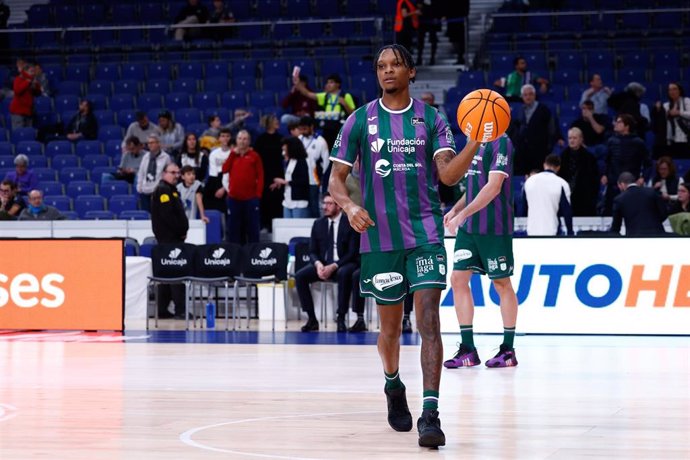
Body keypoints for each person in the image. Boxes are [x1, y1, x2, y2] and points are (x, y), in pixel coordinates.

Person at [328, 44, 481, 449]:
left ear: (411, 72)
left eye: (395, 64)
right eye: (381, 66)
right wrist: (347, 204)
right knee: (390, 330)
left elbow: (447, 175)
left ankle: (430, 414)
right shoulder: (359, 121)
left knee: (429, 317)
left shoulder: (431, 119)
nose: (388, 71)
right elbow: (335, 180)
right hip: (380, 238)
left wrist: (474, 143)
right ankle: (393, 385)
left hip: (426, 233)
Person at [443, 132, 519, 372]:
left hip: (494, 226)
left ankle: (508, 349)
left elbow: (493, 186)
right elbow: (475, 185)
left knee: (501, 283)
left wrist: (463, 215)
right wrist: (456, 209)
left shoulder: (502, 142)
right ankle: (468, 349)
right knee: (458, 279)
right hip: (470, 229)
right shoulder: (474, 143)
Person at [295, 193, 360, 333]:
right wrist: (318, 264)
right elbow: (312, 251)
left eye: (329, 204)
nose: (325, 207)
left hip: (343, 263)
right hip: (324, 265)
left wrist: (334, 266)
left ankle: (341, 317)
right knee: (300, 276)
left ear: (339, 206)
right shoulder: (318, 224)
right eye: (324, 203)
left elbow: (352, 253)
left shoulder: (349, 223)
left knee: (344, 273)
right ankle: (312, 319)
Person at [151, 163, 189, 319]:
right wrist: (180, 232)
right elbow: (168, 216)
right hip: (169, 240)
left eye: (178, 173)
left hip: (172, 239)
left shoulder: (172, 190)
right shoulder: (163, 190)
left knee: (167, 275)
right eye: (172, 172)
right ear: (164, 173)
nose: (176, 175)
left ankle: (162, 310)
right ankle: (180, 310)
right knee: (176, 274)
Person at [600, 113, 651, 215]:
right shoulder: (611, 141)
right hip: (614, 183)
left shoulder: (638, 142)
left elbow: (648, 163)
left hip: (632, 184)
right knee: (610, 211)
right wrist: (604, 174)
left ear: (627, 126)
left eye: (619, 122)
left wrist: (643, 177)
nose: (615, 124)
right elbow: (606, 161)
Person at [221, 129, 263, 244]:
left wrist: (258, 195)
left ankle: (253, 254)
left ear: (249, 141)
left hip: (251, 199)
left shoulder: (255, 156)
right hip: (234, 199)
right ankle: (235, 254)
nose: (242, 141)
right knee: (234, 229)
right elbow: (224, 169)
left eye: (245, 139)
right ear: (236, 140)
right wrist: (233, 154)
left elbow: (260, 176)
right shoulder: (232, 155)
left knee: (252, 229)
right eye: (240, 138)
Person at [508, 84, 560, 176]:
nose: (528, 97)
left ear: (534, 95)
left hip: (539, 152)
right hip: (522, 153)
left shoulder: (544, 110)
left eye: (530, 94)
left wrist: (548, 147)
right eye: (525, 95)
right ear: (522, 96)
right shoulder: (519, 111)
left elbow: (551, 129)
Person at [293, 73, 355, 150]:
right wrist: (297, 83)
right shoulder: (324, 96)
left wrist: (345, 104)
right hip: (328, 126)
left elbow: (353, 113)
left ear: (338, 84)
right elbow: (307, 93)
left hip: (340, 126)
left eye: (331, 82)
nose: (328, 84)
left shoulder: (346, 96)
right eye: (327, 82)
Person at [524, 154, 574, 236]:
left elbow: (524, 208)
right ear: (558, 167)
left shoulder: (529, 181)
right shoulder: (561, 183)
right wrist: (570, 232)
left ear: (544, 165)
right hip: (552, 231)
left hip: (531, 231)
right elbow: (566, 211)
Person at [558, 127, 600, 216]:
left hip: (584, 199)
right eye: (570, 138)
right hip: (566, 197)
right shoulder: (561, 157)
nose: (572, 140)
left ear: (581, 139)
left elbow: (594, 180)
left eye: (574, 138)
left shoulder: (589, 158)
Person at [610, 172, 667, 236]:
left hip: (635, 237)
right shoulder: (652, 192)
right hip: (657, 235)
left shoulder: (619, 199)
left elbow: (616, 226)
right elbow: (664, 213)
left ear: (622, 184)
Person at [254, 114, 285, 230]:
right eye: (275, 120)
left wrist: (279, 179)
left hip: (279, 175)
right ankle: (265, 224)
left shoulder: (281, 139)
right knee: (265, 201)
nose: (277, 121)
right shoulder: (260, 140)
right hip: (264, 176)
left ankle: (277, 226)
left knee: (278, 201)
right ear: (269, 123)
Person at [298, 115, 330, 217]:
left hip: (314, 180)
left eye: (305, 128)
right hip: (300, 179)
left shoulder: (320, 141)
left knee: (314, 205)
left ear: (311, 127)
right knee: (302, 205)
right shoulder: (298, 140)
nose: (303, 131)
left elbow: (326, 163)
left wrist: (321, 179)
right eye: (301, 129)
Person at [271, 136, 310, 218]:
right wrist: (280, 183)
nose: (283, 151)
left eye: (285, 149)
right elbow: (289, 178)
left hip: (298, 202)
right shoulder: (289, 161)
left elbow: (303, 181)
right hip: (287, 200)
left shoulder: (302, 162)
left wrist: (285, 182)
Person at [652, 82, 690, 159]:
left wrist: (679, 113)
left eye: (674, 89)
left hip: (686, 137)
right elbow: (660, 123)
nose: (672, 91)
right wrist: (658, 110)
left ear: (680, 90)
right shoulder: (666, 105)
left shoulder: (687, 101)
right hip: (671, 140)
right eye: (670, 90)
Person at [136, 134, 172, 212]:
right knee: (146, 215)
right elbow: (141, 172)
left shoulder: (166, 157)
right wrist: (139, 187)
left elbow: (168, 174)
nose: (150, 145)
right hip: (145, 190)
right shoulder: (145, 156)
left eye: (152, 142)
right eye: (148, 143)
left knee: (157, 214)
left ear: (158, 143)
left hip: (158, 191)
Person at [204, 128, 232, 214]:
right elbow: (213, 174)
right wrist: (218, 188)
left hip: (231, 181)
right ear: (219, 138)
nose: (225, 138)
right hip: (217, 180)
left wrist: (224, 188)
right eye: (223, 136)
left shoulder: (233, 153)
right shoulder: (214, 154)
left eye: (227, 136)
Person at [9, 61, 41, 129]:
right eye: (31, 71)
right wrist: (27, 82)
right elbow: (17, 91)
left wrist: (36, 85)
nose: (33, 73)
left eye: (34, 71)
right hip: (18, 112)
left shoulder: (33, 81)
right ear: (26, 71)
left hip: (28, 112)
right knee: (19, 133)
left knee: (28, 132)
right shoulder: (18, 79)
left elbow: (38, 93)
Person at [445, 1, 470, 65]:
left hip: (460, 21)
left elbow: (466, 7)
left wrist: (464, 16)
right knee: (454, 38)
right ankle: (459, 55)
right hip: (452, 20)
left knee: (461, 39)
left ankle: (461, 57)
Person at [416, 0, 440, 65]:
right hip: (422, 21)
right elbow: (418, 5)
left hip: (432, 21)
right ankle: (419, 58)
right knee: (420, 40)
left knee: (433, 39)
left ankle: (432, 58)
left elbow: (438, 6)